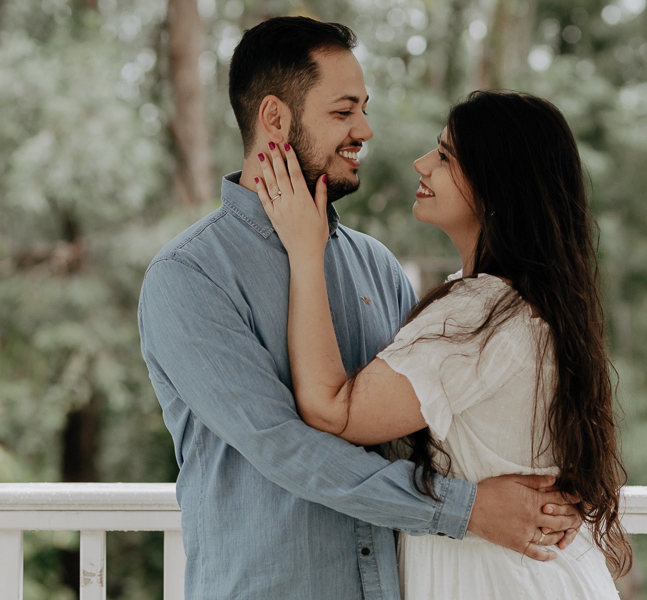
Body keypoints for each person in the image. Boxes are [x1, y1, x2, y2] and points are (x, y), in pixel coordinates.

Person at [139, 17, 582, 599]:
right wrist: (468, 508)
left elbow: (428, 427)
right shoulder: (190, 276)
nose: (365, 130)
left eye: (364, 109)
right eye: (344, 111)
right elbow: (285, 447)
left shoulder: (377, 266)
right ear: (275, 118)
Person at [254, 89, 632, 598]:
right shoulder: (529, 301)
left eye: (447, 157)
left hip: (499, 580)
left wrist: (305, 251)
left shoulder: (479, 314)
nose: (422, 164)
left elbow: (332, 410)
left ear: (496, 186)